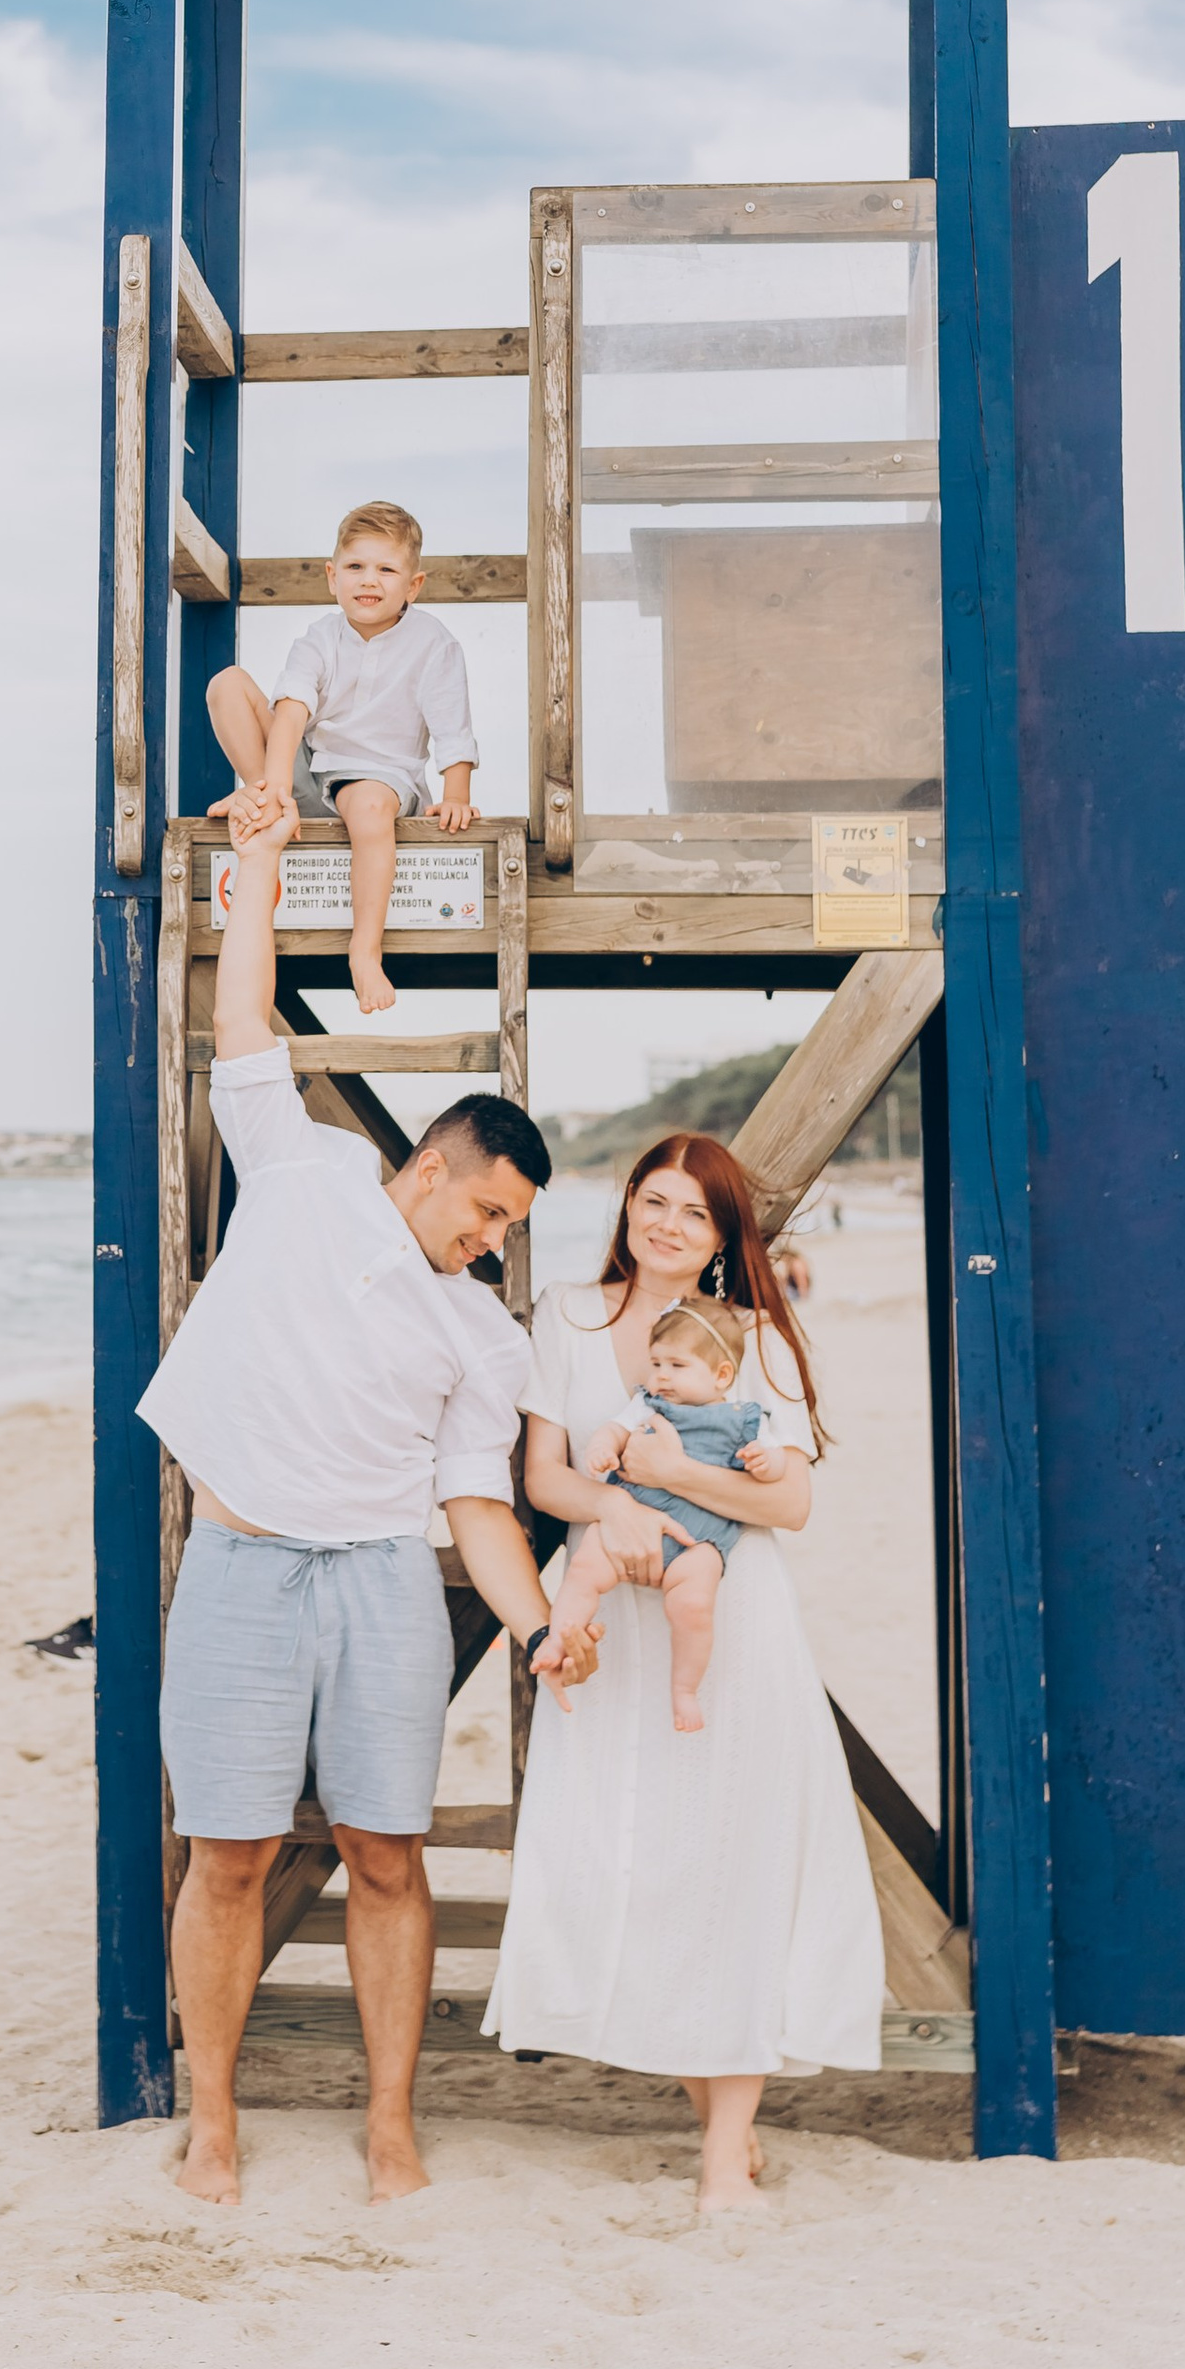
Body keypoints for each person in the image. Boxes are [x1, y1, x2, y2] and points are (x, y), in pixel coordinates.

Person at [140, 801, 593, 2209]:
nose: (493, 1241)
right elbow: (242, 1023)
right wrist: (256, 871)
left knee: (387, 1854)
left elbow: (477, 1507)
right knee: (227, 1854)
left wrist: (534, 1627)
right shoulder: (305, 1171)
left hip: (383, 1582)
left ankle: (390, 2124)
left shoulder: (483, 1339)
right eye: (488, 1212)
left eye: (511, 1228)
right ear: (429, 1167)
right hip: (240, 1566)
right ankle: (213, 2120)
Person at [483, 1132, 884, 2214]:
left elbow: (790, 1503)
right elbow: (544, 1478)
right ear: (627, 1204)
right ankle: (708, 2111)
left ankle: (723, 2150)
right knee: (639, 1861)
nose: (668, 1225)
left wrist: (669, 1473)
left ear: (722, 1236)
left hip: (730, 1622)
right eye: (654, 1201)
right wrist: (617, 1504)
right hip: (612, 1617)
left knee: (732, 1867)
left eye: (694, 1213)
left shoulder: (756, 1336)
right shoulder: (567, 1316)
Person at [204, 499, 477, 1016]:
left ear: (413, 585)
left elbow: (452, 727)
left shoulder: (434, 645)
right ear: (333, 577)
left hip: (383, 779)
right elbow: (291, 712)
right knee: (227, 684)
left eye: (386, 570)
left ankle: (364, 951)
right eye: (355, 566)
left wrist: (456, 794)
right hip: (312, 767)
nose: (368, 580)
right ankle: (265, 803)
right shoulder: (320, 638)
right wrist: (275, 786)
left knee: (368, 805)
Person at [539, 1293, 788, 1733]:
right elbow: (615, 1428)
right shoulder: (648, 1404)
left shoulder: (745, 1419)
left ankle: (684, 1689)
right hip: (630, 1521)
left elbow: (777, 1461)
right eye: (656, 1363)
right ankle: (559, 1639)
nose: (661, 1376)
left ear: (721, 1374)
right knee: (583, 1570)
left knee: (694, 1606)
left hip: (698, 1540)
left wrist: (765, 1463)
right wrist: (602, 1447)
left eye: (677, 1365)